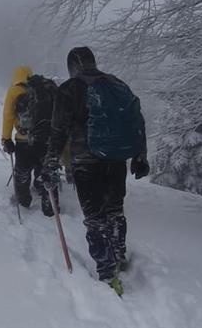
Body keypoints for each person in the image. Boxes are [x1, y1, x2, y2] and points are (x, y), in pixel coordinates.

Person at [42, 47, 150, 294]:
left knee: (95, 218)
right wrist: (140, 156)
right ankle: (119, 254)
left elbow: (58, 131)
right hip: (115, 160)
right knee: (114, 210)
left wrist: (50, 162)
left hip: (85, 162)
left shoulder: (69, 89)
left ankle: (107, 273)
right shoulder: (116, 83)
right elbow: (136, 121)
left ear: (72, 65)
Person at [1, 66, 57, 217]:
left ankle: (24, 201)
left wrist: (6, 138)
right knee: (45, 171)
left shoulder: (14, 91)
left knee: (22, 172)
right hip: (45, 140)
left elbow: (8, 116)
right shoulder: (45, 89)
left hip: (23, 141)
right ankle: (49, 205)